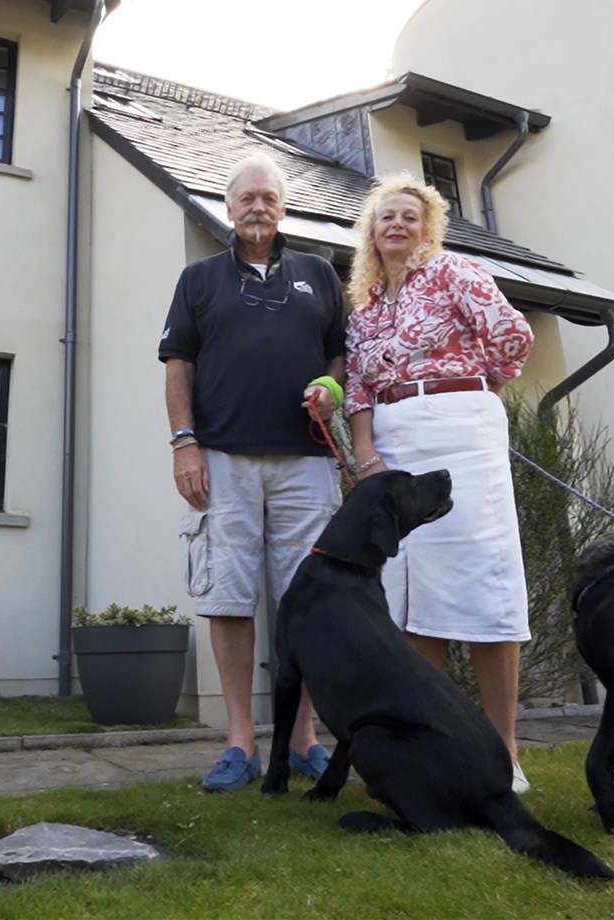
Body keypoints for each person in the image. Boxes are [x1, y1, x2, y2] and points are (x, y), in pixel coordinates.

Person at [340, 172, 537, 794]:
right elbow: (358, 387)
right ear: (370, 233)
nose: (396, 225)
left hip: (459, 428)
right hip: (395, 439)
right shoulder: (365, 306)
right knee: (411, 588)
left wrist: (474, 387)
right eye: (385, 217)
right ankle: (442, 738)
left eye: (409, 216)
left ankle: (503, 749)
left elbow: (514, 337)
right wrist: (365, 452)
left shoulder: (456, 273)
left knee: (484, 575)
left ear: (428, 227)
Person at [159, 152, 348, 792]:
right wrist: (185, 443)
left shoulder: (320, 275)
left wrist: (329, 387)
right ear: (229, 208)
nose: (258, 208)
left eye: (268, 197)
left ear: (283, 206)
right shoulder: (199, 279)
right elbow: (177, 365)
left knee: (308, 605)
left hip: (305, 462)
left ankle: (301, 739)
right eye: (246, 199)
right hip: (222, 461)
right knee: (228, 596)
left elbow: (339, 358)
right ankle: (239, 741)